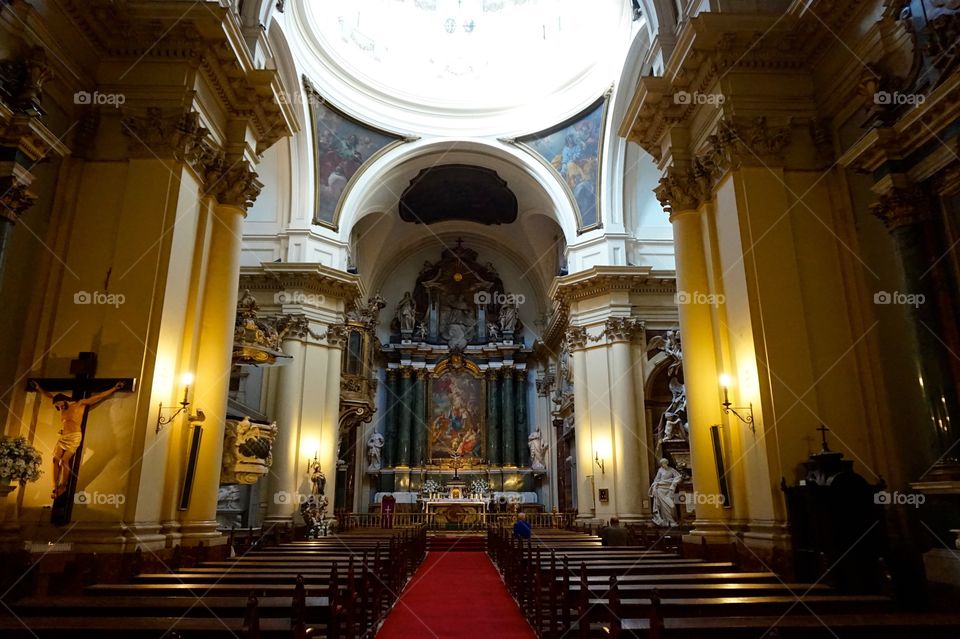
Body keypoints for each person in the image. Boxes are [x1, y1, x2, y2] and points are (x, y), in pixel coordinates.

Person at [31, 380, 125, 499]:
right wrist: (39, 388)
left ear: (64, 399)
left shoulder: (79, 404)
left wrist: (114, 388)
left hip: (74, 436)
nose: (59, 407)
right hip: (63, 437)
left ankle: (63, 485)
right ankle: (55, 486)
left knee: (64, 461)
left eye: (60, 404)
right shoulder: (61, 407)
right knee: (55, 460)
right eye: (57, 406)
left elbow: (98, 397)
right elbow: (50, 396)